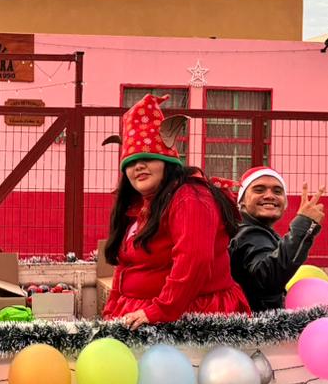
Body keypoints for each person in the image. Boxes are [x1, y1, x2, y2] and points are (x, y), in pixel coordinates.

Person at [101, 95, 250, 328]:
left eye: (148, 157)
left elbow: (194, 259)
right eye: (130, 162)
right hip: (144, 316)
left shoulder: (190, 197)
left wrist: (160, 310)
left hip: (187, 318)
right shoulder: (138, 207)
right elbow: (125, 266)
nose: (138, 166)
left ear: (167, 161)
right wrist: (112, 310)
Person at [230, 166, 325, 311]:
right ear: (241, 200)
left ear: (285, 204)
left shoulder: (252, 230)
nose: (269, 196)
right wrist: (303, 224)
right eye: (259, 189)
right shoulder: (249, 234)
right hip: (257, 330)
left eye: (277, 191)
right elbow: (268, 279)